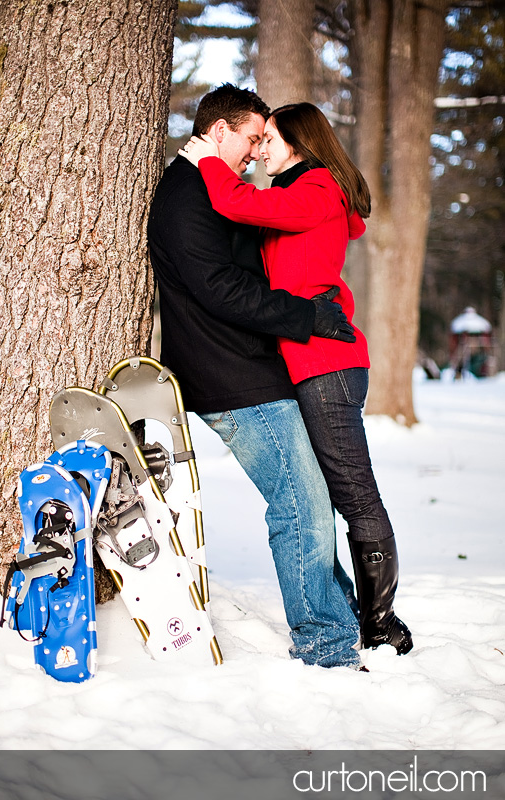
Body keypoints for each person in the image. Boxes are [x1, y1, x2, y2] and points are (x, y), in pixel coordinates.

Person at [180, 102, 413, 655]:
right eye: (255, 142)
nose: (260, 151)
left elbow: (236, 201)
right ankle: (363, 613)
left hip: (325, 364)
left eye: (270, 140)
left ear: (301, 144)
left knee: (353, 493)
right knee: (328, 490)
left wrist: (205, 160)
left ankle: (381, 625)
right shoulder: (302, 192)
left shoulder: (315, 189)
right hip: (308, 361)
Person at [148, 85, 363, 670]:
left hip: (253, 367)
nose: (255, 150)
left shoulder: (211, 186)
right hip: (230, 373)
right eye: (251, 137)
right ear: (220, 131)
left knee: (308, 501)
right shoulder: (184, 193)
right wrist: (306, 316)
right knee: (300, 505)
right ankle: (327, 644)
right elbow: (219, 288)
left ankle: (340, 623)